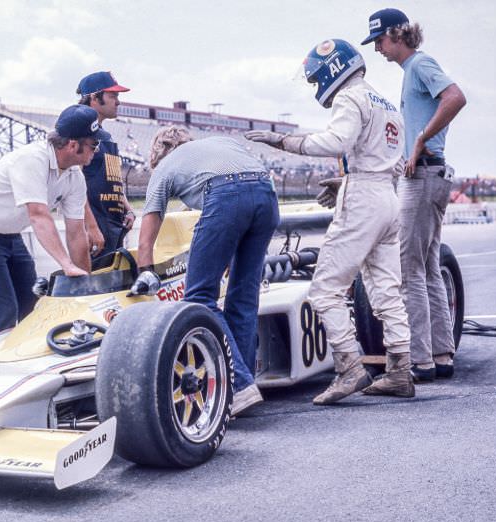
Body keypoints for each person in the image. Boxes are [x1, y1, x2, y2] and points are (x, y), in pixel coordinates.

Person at [245, 38, 414, 405]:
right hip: (388, 196)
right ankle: (401, 369)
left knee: (325, 289)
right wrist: (349, 180)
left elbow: (337, 141)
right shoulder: (386, 104)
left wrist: (283, 141)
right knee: (386, 289)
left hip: (365, 198)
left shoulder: (349, 97)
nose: (314, 84)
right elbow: (394, 163)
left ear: (332, 69)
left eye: (315, 77)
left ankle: (349, 366)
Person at [130, 128, 279, 416]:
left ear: (159, 154)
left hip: (226, 196)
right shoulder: (218, 143)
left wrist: (145, 271)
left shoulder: (164, 168)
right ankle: (246, 388)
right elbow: (244, 190)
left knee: (199, 298)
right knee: (244, 298)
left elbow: (148, 227)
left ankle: (239, 385)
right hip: (266, 194)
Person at [362, 8, 467, 381]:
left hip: (423, 175)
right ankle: (441, 355)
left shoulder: (420, 65)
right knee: (428, 268)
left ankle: (419, 360)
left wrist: (421, 139)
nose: (377, 49)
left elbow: (455, 97)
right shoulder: (412, 73)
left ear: (396, 34)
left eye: (379, 40)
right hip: (431, 172)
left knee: (409, 270)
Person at [0, 104, 100, 340]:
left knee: (33, 307)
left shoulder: (74, 176)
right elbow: (38, 215)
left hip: (7, 233)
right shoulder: (32, 159)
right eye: (93, 144)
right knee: (3, 313)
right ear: (72, 145)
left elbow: (76, 233)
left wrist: (85, 285)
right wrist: (66, 264)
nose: (96, 151)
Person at [76, 71, 136, 257]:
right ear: (95, 97)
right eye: (113, 96)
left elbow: (112, 179)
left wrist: (128, 208)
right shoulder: (78, 130)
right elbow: (73, 184)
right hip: (96, 225)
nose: (118, 102)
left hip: (114, 223)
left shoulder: (105, 136)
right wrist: (90, 226)